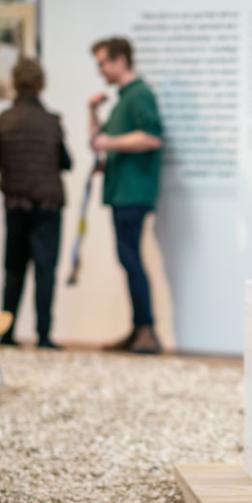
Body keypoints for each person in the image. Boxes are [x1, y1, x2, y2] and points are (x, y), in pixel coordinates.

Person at [88, 36, 164, 354]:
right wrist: (90, 111)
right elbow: (98, 141)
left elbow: (152, 137)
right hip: (122, 192)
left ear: (121, 61)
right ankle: (139, 329)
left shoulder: (139, 95)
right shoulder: (123, 99)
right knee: (128, 258)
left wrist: (112, 145)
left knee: (130, 258)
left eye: (103, 62)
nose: (100, 69)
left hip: (133, 193)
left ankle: (145, 331)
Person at [0, 58, 72, 350]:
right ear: (41, 83)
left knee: (13, 268)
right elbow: (66, 162)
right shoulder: (52, 121)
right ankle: (44, 334)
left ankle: (7, 332)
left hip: (16, 203)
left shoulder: (4, 120)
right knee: (45, 270)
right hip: (48, 204)